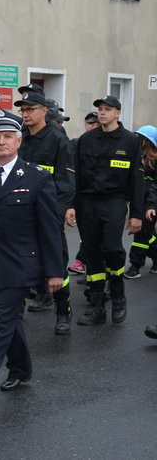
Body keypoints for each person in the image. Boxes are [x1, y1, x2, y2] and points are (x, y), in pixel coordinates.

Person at [0, 110, 63, 408]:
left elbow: (50, 228)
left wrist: (54, 271)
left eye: (7, 136)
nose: (1, 142)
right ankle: (21, 368)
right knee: (9, 321)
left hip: (19, 265)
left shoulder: (37, 177)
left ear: (19, 141)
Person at [67, 95, 144, 326]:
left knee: (112, 247)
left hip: (114, 200)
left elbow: (137, 180)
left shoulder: (130, 141)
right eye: (100, 109)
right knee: (91, 251)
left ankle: (118, 294)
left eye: (107, 109)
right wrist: (71, 205)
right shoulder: (86, 140)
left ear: (118, 113)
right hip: (87, 201)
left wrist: (137, 214)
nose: (102, 113)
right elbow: (76, 176)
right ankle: (97, 305)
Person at [15, 92, 75, 335]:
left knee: (56, 262)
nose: (26, 114)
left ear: (43, 111)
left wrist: (56, 213)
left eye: (30, 109)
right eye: (23, 110)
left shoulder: (58, 139)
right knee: (17, 261)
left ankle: (63, 312)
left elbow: (66, 180)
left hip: (48, 211)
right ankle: (13, 314)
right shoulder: (20, 136)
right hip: (21, 212)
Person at [68, 112, 100, 275]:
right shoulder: (77, 143)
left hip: (101, 198)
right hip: (82, 196)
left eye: (94, 123)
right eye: (88, 123)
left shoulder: (105, 144)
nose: (91, 125)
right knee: (86, 233)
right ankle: (84, 263)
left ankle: (94, 268)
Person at [123, 125, 157, 278]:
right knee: (148, 235)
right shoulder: (137, 158)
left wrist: (151, 205)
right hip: (140, 203)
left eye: (140, 138)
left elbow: (154, 188)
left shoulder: (154, 162)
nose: (136, 140)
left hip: (152, 205)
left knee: (141, 235)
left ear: (147, 141)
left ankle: (135, 266)